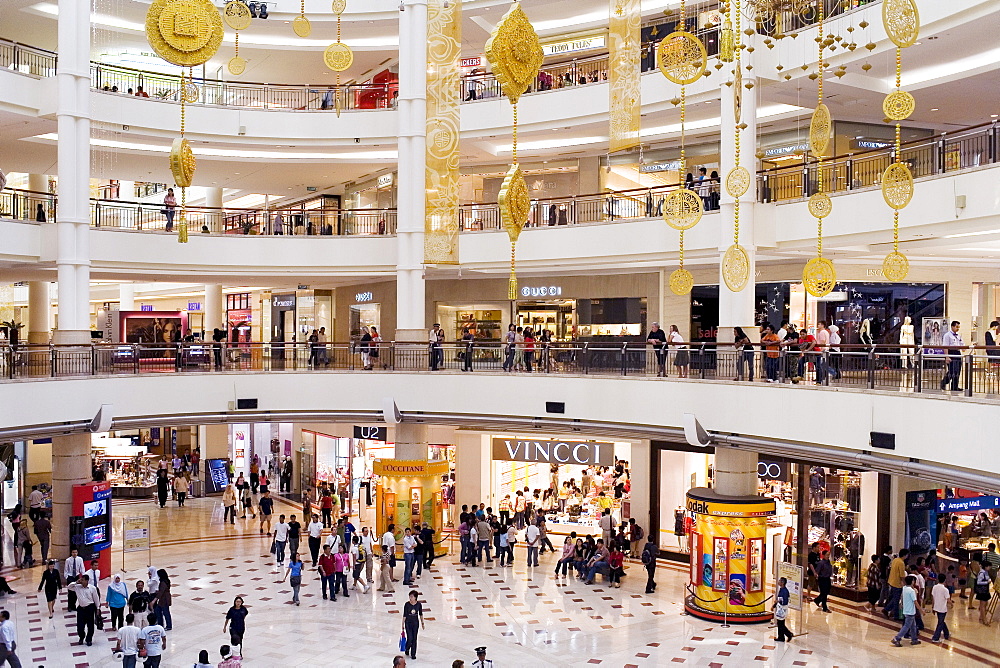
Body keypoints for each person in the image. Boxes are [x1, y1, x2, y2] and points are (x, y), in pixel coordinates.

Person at [67, 573, 100, 645]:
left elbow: (96, 599)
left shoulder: (92, 588)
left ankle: (89, 639)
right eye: (81, 579)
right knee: (80, 625)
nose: (81, 581)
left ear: (87, 581)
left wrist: (98, 608)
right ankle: (81, 637)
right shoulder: (77, 587)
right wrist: (76, 582)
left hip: (89, 608)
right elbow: (69, 587)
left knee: (90, 625)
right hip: (81, 608)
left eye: (83, 580)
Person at [891, 575, 921, 646]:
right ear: (912, 582)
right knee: (907, 626)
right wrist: (921, 610)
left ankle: (914, 639)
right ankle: (897, 638)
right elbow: (915, 601)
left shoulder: (904, 588)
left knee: (913, 626)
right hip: (910, 611)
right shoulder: (911, 591)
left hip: (906, 610)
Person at [884, 548, 909, 619]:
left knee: (892, 598)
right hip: (897, 583)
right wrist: (905, 584)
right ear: (905, 555)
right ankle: (893, 614)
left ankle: (888, 610)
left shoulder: (895, 560)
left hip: (891, 581)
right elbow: (902, 576)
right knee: (896, 599)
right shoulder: (901, 563)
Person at [940, 321, 964, 391]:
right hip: (951, 353)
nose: (958, 329)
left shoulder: (958, 336)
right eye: (956, 327)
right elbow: (945, 346)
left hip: (957, 353)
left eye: (958, 327)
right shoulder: (947, 335)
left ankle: (955, 386)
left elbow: (962, 345)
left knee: (958, 370)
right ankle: (944, 381)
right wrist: (947, 356)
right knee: (952, 370)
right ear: (952, 326)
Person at [401, 589, 424, 660]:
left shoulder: (419, 605)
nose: (410, 598)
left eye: (411, 596)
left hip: (415, 623)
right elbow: (404, 615)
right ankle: (407, 648)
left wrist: (422, 623)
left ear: (415, 597)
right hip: (408, 623)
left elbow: (420, 614)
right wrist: (402, 624)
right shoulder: (407, 604)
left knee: (414, 638)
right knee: (410, 637)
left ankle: (413, 653)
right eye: (409, 596)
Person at [930, 575, 951, 642]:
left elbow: (933, 598)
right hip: (942, 608)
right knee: (940, 622)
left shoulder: (934, 587)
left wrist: (933, 607)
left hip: (936, 607)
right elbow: (948, 599)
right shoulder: (945, 589)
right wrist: (952, 604)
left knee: (941, 621)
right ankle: (935, 638)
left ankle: (946, 634)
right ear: (945, 580)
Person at [774, 577, 793, 642]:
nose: (778, 582)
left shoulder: (785, 591)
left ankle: (788, 634)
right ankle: (781, 637)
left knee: (781, 624)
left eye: (779, 581)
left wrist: (778, 601)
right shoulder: (781, 589)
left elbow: (784, 601)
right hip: (779, 609)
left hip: (782, 609)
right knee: (780, 623)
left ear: (782, 583)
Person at [975, 555, 992, 624]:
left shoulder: (985, 572)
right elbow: (978, 582)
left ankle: (981, 617)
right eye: (989, 566)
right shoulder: (982, 573)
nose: (990, 568)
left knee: (984, 604)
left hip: (985, 590)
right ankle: (984, 619)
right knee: (982, 605)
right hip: (982, 591)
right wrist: (986, 582)